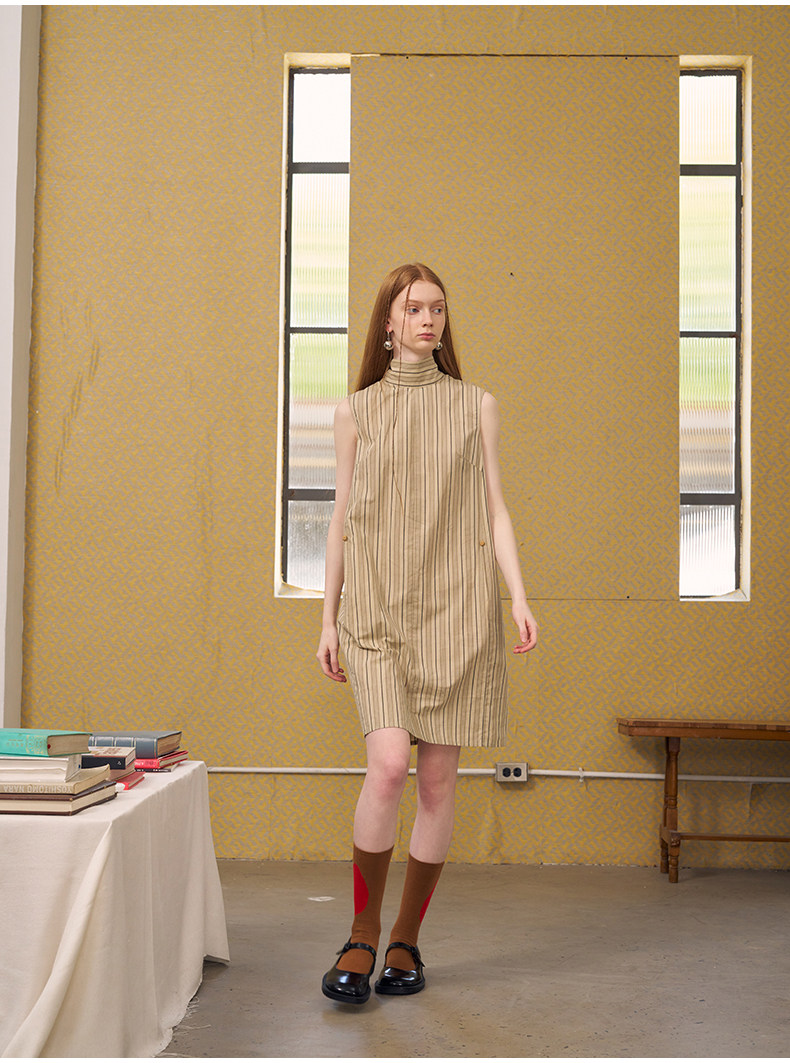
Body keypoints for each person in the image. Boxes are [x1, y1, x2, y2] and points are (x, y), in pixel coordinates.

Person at [316, 263, 538, 1005]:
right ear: (388, 321)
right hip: (376, 612)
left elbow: (496, 508)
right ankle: (361, 931)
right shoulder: (355, 412)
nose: (428, 319)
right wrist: (327, 618)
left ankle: (406, 938)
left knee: (438, 782)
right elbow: (340, 520)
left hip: (458, 612)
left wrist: (518, 595)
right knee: (387, 768)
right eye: (413, 308)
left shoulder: (477, 405)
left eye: (437, 308)